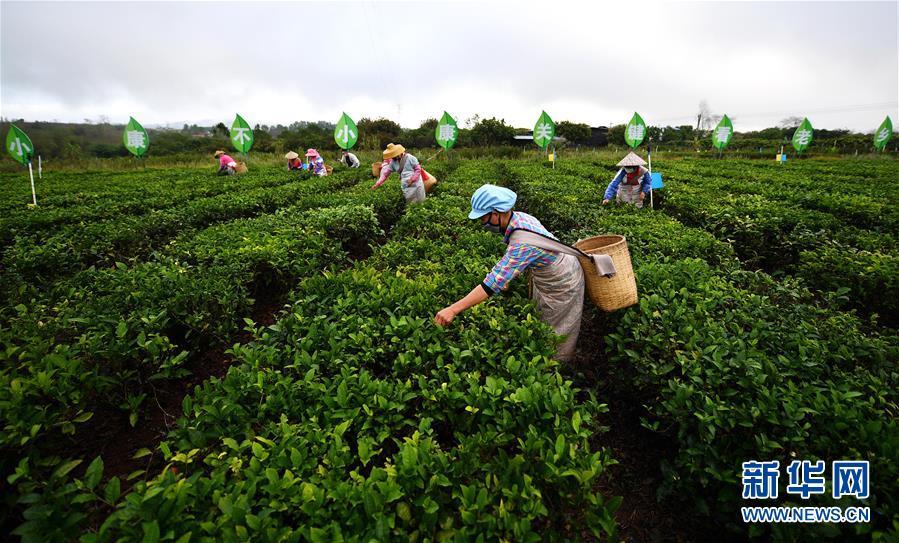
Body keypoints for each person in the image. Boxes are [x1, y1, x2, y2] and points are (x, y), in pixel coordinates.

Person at [434, 185, 585, 361]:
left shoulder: (522, 243)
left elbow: (491, 284)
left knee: (557, 329)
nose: (483, 223)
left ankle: (557, 368)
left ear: (496, 213)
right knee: (544, 318)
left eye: (483, 218)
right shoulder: (520, 218)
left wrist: (453, 309)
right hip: (553, 269)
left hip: (561, 280)